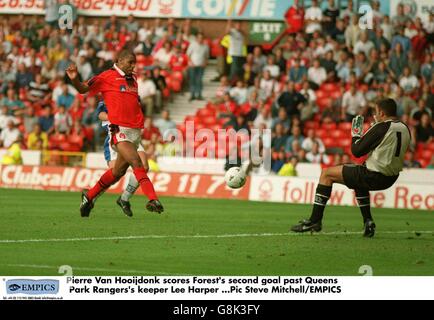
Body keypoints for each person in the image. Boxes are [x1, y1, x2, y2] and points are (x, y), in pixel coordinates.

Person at [291, 99, 411, 237]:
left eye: (376, 112)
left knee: (326, 174)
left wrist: (356, 135)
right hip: (391, 178)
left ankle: (315, 221)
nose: (375, 115)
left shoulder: (381, 127)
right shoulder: (405, 128)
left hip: (373, 175)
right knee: (358, 180)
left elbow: (356, 151)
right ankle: (368, 222)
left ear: (382, 113)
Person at [66, 50, 163, 217]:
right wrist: (74, 78)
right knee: (137, 163)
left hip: (135, 132)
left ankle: (88, 197)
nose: (133, 66)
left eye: (135, 63)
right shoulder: (106, 76)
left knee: (117, 172)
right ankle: (153, 199)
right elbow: (83, 89)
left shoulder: (132, 79)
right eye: (130, 62)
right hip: (119, 130)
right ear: (119, 60)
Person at [96, 101, 149, 217]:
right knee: (115, 174)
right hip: (115, 137)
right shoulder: (108, 95)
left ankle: (124, 199)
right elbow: (100, 114)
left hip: (132, 136)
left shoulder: (132, 92)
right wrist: (116, 117)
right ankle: (91, 197)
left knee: (144, 167)